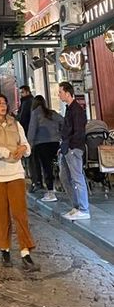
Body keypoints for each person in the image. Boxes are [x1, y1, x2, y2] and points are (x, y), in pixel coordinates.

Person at [0, 92, 39, 272]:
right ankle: (4, 249)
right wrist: (5, 152)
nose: (3, 106)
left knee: (20, 213)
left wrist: (23, 149)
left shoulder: (16, 123)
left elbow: (26, 145)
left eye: (4, 103)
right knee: (1, 214)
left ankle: (25, 251)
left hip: (15, 173)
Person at [58, 82, 90, 220]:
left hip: (73, 148)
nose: (58, 94)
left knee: (77, 178)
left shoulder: (76, 110)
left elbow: (79, 131)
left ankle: (83, 209)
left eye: (60, 92)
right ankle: (76, 206)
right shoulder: (69, 109)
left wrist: (70, 146)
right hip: (66, 148)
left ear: (67, 92)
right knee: (64, 177)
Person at [27, 95, 63, 202]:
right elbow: (64, 122)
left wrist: (29, 144)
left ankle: (50, 191)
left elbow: (32, 130)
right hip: (55, 143)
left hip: (41, 144)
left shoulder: (35, 113)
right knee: (56, 165)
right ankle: (61, 186)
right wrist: (59, 134)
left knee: (46, 167)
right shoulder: (52, 112)